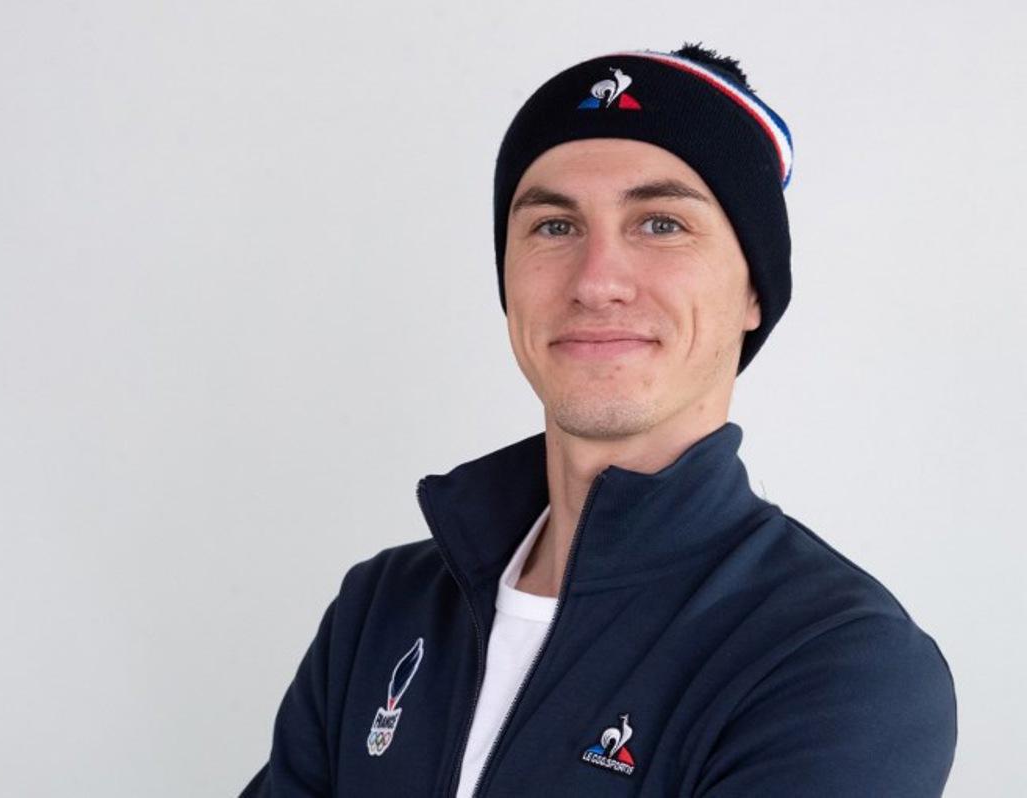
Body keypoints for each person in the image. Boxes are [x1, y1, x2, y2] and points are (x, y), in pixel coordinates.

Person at [241, 43, 957, 797]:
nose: (597, 281)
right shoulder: (383, 608)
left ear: (754, 290)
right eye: (554, 226)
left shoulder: (837, 661)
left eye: (661, 224)